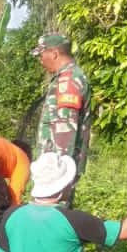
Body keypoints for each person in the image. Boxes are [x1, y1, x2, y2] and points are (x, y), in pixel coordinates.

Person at [31, 33, 91, 201]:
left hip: (57, 170)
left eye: (42, 55)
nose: (41, 60)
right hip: (54, 168)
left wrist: (58, 173)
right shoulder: (66, 77)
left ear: (54, 54)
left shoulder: (68, 80)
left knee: (54, 217)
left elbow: (65, 130)